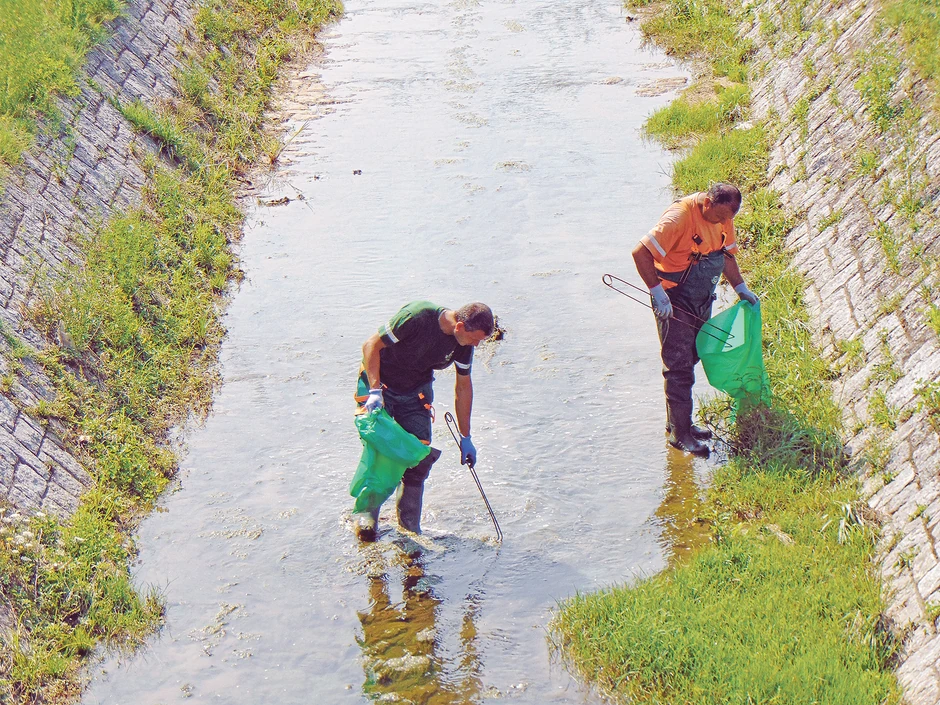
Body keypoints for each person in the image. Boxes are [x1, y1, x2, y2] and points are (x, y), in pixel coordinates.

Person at [632, 183, 759, 457]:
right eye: (720, 216)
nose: (725, 223)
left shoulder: (724, 219)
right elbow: (639, 253)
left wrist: (741, 288)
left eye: (729, 218)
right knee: (678, 368)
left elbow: (725, 256)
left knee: (691, 358)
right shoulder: (679, 218)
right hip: (673, 300)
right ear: (707, 204)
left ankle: (677, 423)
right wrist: (658, 294)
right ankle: (681, 436)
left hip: (701, 299)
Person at [353, 301, 495, 540]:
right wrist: (375, 391)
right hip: (381, 384)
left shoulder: (463, 345)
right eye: (475, 339)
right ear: (460, 326)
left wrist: (466, 437)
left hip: (416, 393)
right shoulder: (417, 317)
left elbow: (463, 388)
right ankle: (367, 515)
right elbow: (370, 346)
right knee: (382, 449)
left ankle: (410, 529)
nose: (476, 345)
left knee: (419, 458)